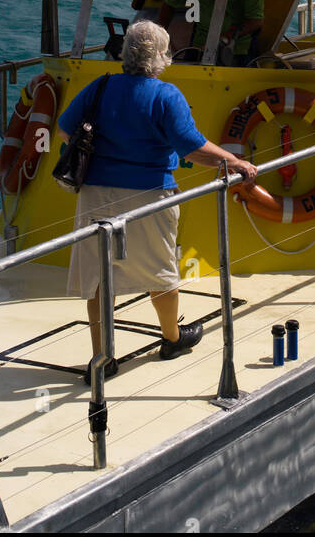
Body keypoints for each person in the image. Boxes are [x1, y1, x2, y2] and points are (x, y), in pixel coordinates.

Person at [56, 20, 256, 379]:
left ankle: (102, 359)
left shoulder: (99, 87)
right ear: (161, 56)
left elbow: (66, 127)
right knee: (160, 271)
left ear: (125, 52)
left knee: (99, 276)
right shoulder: (166, 95)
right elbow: (192, 148)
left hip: (96, 192)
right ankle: (172, 338)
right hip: (150, 193)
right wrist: (234, 161)